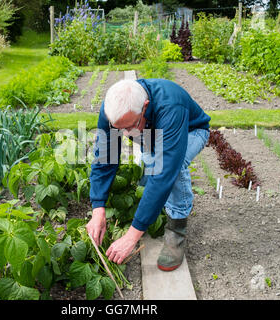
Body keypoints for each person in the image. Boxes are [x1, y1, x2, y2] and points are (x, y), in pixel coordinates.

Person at [86, 78, 211, 271]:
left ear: (145, 107)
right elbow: (105, 158)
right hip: (152, 130)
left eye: (129, 128)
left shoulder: (171, 106)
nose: (126, 135)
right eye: (119, 129)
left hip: (191, 131)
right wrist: (98, 208)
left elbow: (164, 174)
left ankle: (176, 230)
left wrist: (131, 237)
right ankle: (151, 205)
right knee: (151, 164)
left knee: (172, 171)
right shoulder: (113, 108)